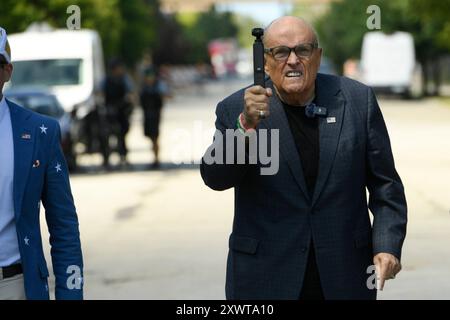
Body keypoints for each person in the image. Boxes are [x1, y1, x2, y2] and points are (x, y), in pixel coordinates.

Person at [200, 16, 407, 300]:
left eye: (303, 50)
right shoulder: (237, 108)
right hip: (264, 278)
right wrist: (245, 126)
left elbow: (387, 187)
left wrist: (387, 245)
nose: (293, 60)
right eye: (282, 52)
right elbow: (215, 178)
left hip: (344, 277)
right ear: (266, 61)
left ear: (318, 56)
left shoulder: (358, 101)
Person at [0, 27, 83, 299]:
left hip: (16, 285)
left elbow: (64, 225)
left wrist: (71, 293)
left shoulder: (39, 132)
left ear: (7, 71)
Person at [100, 58, 134, 169]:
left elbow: (131, 93)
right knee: (106, 135)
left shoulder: (124, 79)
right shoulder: (106, 80)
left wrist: (128, 103)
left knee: (122, 135)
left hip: (122, 111)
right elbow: (100, 93)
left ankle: (123, 156)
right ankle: (106, 158)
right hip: (109, 111)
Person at [140, 66, 169, 168]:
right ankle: (155, 158)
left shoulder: (159, 86)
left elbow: (167, 96)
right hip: (147, 115)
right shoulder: (144, 87)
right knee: (150, 137)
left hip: (155, 115)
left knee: (155, 137)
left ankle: (156, 159)